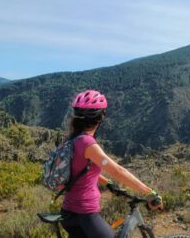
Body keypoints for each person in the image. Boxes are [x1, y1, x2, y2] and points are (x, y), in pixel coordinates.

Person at [60, 89, 163, 238]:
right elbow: (117, 171)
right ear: (100, 118)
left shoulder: (71, 139)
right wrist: (149, 192)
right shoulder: (87, 143)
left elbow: (80, 170)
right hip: (84, 215)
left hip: (68, 212)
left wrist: (107, 182)